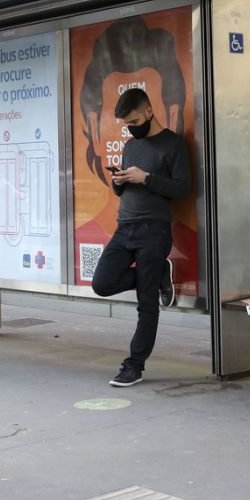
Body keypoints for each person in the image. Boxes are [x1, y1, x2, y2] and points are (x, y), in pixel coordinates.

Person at [91, 88, 192, 387]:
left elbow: (182, 188)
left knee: (146, 302)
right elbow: (123, 190)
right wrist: (119, 181)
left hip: (153, 230)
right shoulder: (130, 146)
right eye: (126, 124)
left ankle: (134, 365)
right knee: (102, 283)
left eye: (134, 121)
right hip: (125, 228)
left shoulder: (173, 145)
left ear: (149, 111)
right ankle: (159, 273)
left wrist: (146, 178)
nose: (131, 128)